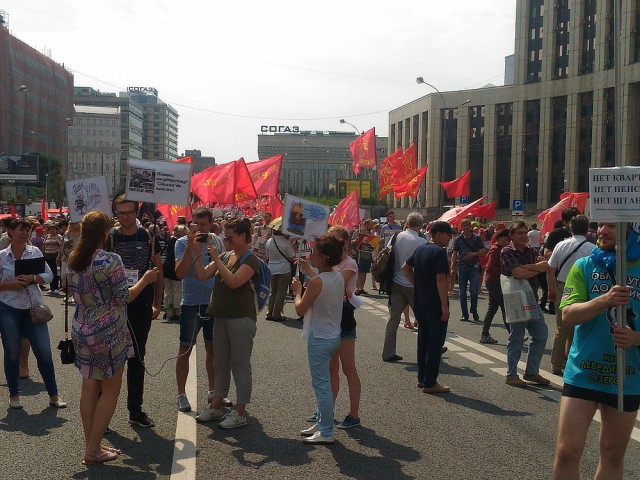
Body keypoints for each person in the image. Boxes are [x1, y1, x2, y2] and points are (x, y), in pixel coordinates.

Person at [67, 211, 159, 465]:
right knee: (110, 388)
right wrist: (145, 280)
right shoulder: (110, 260)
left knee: (88, 387)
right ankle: (92, 449)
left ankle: (92, 445)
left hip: (82, 327)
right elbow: (123, 297)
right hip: (108, 331)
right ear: (105, 233)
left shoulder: (74, 258)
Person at [552, 222, 640, 479]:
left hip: (627, 377)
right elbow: (567, 315)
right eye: (601, 224)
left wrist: (636, 338)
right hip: (583, 372)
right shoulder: (585, 265)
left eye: (612, 226)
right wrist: (605, 300)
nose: (603, 230)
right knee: (567, 450)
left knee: (613, 453)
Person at [194, 218, 259, 428]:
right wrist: (196, 252)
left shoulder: (251, 259)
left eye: (230, 237)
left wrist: (216, 258)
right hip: (220, 316)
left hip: (241, 317)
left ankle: (240, 411)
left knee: (240, 364)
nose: (226, 240)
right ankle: (216, 405)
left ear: (243, 236)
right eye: (225, 236)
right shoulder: (225, 255)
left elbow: (233, 282)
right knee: (219, 362)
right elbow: (202, 275)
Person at [300, 225, 362, 429]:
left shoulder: (349, 263)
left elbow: (331, 287)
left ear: (342, 243)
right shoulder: (329, 269)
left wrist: (308, 280)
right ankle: (326, 411)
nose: (329, 243)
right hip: (332, 318)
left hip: (343, 318)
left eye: (332, 240)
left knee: (349, 368)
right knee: (330, 370)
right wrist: (309, 270)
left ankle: (353, 413)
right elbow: (323, 284)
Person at [0, 218, 66, 410]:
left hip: (33, 308)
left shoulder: (34, 252)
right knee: (12, 353)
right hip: (8, 308)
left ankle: (54, 395)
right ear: (10, 232)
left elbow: (49, 275)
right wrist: (10, 285)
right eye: (20, 229)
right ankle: (14, 396)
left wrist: (33, 278)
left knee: (44, 352)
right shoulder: (2, 255)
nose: (24, 232)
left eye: (27, 230)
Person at [111, 195, 163, 428]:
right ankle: (104, 416)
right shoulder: (109, 237)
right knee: (110, 359)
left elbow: (158, 271)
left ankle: (135, 410)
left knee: (137, 357)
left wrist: (158, 302)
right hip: (113, 306)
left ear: (137, 211)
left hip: (141, 305)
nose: (124, 217)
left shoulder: (149, 236)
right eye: (120, 213)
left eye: (129, 213)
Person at [292, 235, 344, 444]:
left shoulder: (315, 282)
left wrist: (297, 291)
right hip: (333, 335)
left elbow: (299, 309)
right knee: (324, 384)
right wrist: (307, 269)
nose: (310, 256)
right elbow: (320, 283)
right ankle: (323, 423)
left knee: (321, 385)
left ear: (323, 257)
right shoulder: (337, 276)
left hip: (320, 337)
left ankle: (326, 431)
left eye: (313, 254)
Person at [174, 207, 224, 413]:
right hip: (191, 302)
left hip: (213, 302)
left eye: (203, 224)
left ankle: (213, 390)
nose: (199, 228)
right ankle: (181, 394)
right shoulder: (182, 242)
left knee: (213, 349)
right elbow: (179, 273)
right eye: (195, 224)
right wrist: (191, 249)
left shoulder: (218, 242)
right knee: (185, 348)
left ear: (211, 224)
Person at [402, 221, 453, 394]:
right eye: (447, 234)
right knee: (435, 343)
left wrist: (417, 285)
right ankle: (430, 382)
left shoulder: (421, 248)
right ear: (437, 234)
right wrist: (444, 305)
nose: (449, 238)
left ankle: (422, 378)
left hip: (420, 301)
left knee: (423, 340)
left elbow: (405, 267)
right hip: (434, 303)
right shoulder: (439, 252)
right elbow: (441, 279)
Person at [501, 221, 550, 387]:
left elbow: (545, 266)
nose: (523, 236)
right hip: (515, 299)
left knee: (541, 334)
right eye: (519, 233)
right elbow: (519, 274)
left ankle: (531, 372)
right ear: (511, 236)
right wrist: (535, 268)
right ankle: (511, 374)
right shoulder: (507, 251)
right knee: (516, 337)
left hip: (532, 298)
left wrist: (529, 267)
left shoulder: (531, 250)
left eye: (524, 233)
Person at [547, 214, 595, 376]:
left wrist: (551, 289)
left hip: (563, 287)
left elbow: (551, 269)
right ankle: (572, 361)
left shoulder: (561, 245)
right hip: (583, 290)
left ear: (570, 228)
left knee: (561, 328)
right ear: (587, 229)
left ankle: (556, 364)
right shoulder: (591, 248)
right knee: (579, 328)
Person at [382, 212, 426, 362]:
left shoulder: (397, 236)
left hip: (395, 282)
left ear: (407, 223)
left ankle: (388, 353)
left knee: (393, 319)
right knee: (424, 319)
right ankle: (431, 349)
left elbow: (387, 252)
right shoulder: (420, 242)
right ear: (419, 225)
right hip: (413, 284)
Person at [543, 207, 581, 314]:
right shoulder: (556, 234)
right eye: (572, 221)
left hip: (579, 279)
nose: (575, 223)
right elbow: (546, 255)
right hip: (562, 280)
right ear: (565, 222)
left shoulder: (583, 234)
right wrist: (564, 249)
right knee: (563, 320)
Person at [451, 218, 487, 322]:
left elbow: (483, 250)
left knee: (474, 291)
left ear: (470, 226)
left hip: (473, 267)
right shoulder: (458, 239)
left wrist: (473, 254)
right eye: (463, 225)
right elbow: (454, 253)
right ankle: (464, 313)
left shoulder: (476, 238)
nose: (465, 227)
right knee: (462, 292)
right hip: (462, 267)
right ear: (461, 227)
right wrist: (452, 266)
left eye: (467, 225)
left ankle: (474, 310)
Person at [480, 229, 511, 344]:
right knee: (505, 307)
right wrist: (505, 270)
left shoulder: (501, 249)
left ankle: (485, 334)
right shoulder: (495, 250)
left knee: (492, 308)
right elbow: (490, 267)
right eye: (504, 238)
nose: (506, 241)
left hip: (494, 281)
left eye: (508, 239)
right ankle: (513, 335)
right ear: (498, 238)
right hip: (494, 281)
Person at [265, 227, 295, 321]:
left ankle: (269, 312)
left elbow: (267, 256)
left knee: (273, 291)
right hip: (284, 269)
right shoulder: (286, 242)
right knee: (281, 292)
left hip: (272, 268)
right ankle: (276, 313)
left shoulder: (269, 241)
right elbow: (291, 258)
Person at [162, 224, 187, 322]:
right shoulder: (181, 242)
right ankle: (177, 312)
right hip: (175, 268)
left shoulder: (170, 240)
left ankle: (169, 311)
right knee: (177, 291)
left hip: (166, 268)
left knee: (168, 292)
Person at [351, 219, 375, 295]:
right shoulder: (358, 232)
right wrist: (356, 240)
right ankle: (356, 288)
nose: (372, 226)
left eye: (372, 225)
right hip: (359, 255)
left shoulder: (371, 234)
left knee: (364, 273)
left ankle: (361, 288)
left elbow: (373, 246)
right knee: (359, 272)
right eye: (370, 225)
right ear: (366, 225)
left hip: (367, 256)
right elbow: (351, 242)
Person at [43, 223, 62, 293]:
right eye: (50, 229)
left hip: (55, 256)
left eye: (53, 229)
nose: (52, 230)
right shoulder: (47, 236)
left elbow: (61, 246)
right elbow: (44, 245)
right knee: (49, 272)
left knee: (55, 272)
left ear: (56, 230)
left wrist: (59, 257)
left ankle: (56, 287)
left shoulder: (59, 237)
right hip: (47, 256)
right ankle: (51, 287)